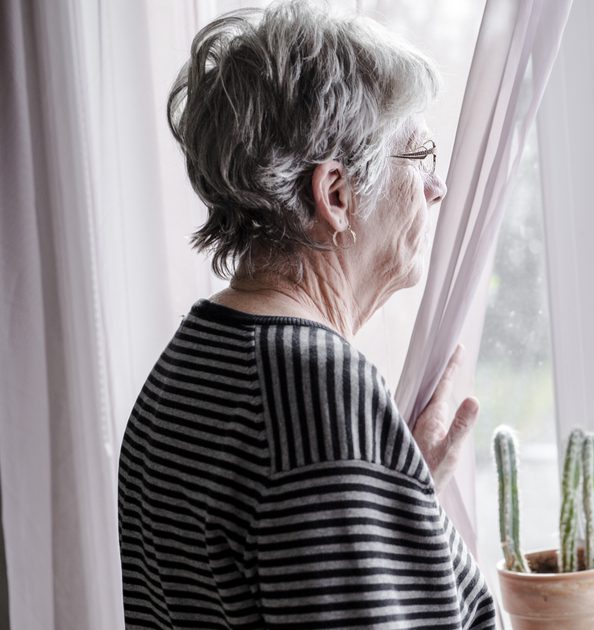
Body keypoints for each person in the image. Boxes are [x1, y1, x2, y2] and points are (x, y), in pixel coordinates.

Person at [116, 1, 496, 627]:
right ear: (338, 193)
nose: (438, 187)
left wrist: (394, 498)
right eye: (420, 156)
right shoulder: (316, 392)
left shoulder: (186, 363)